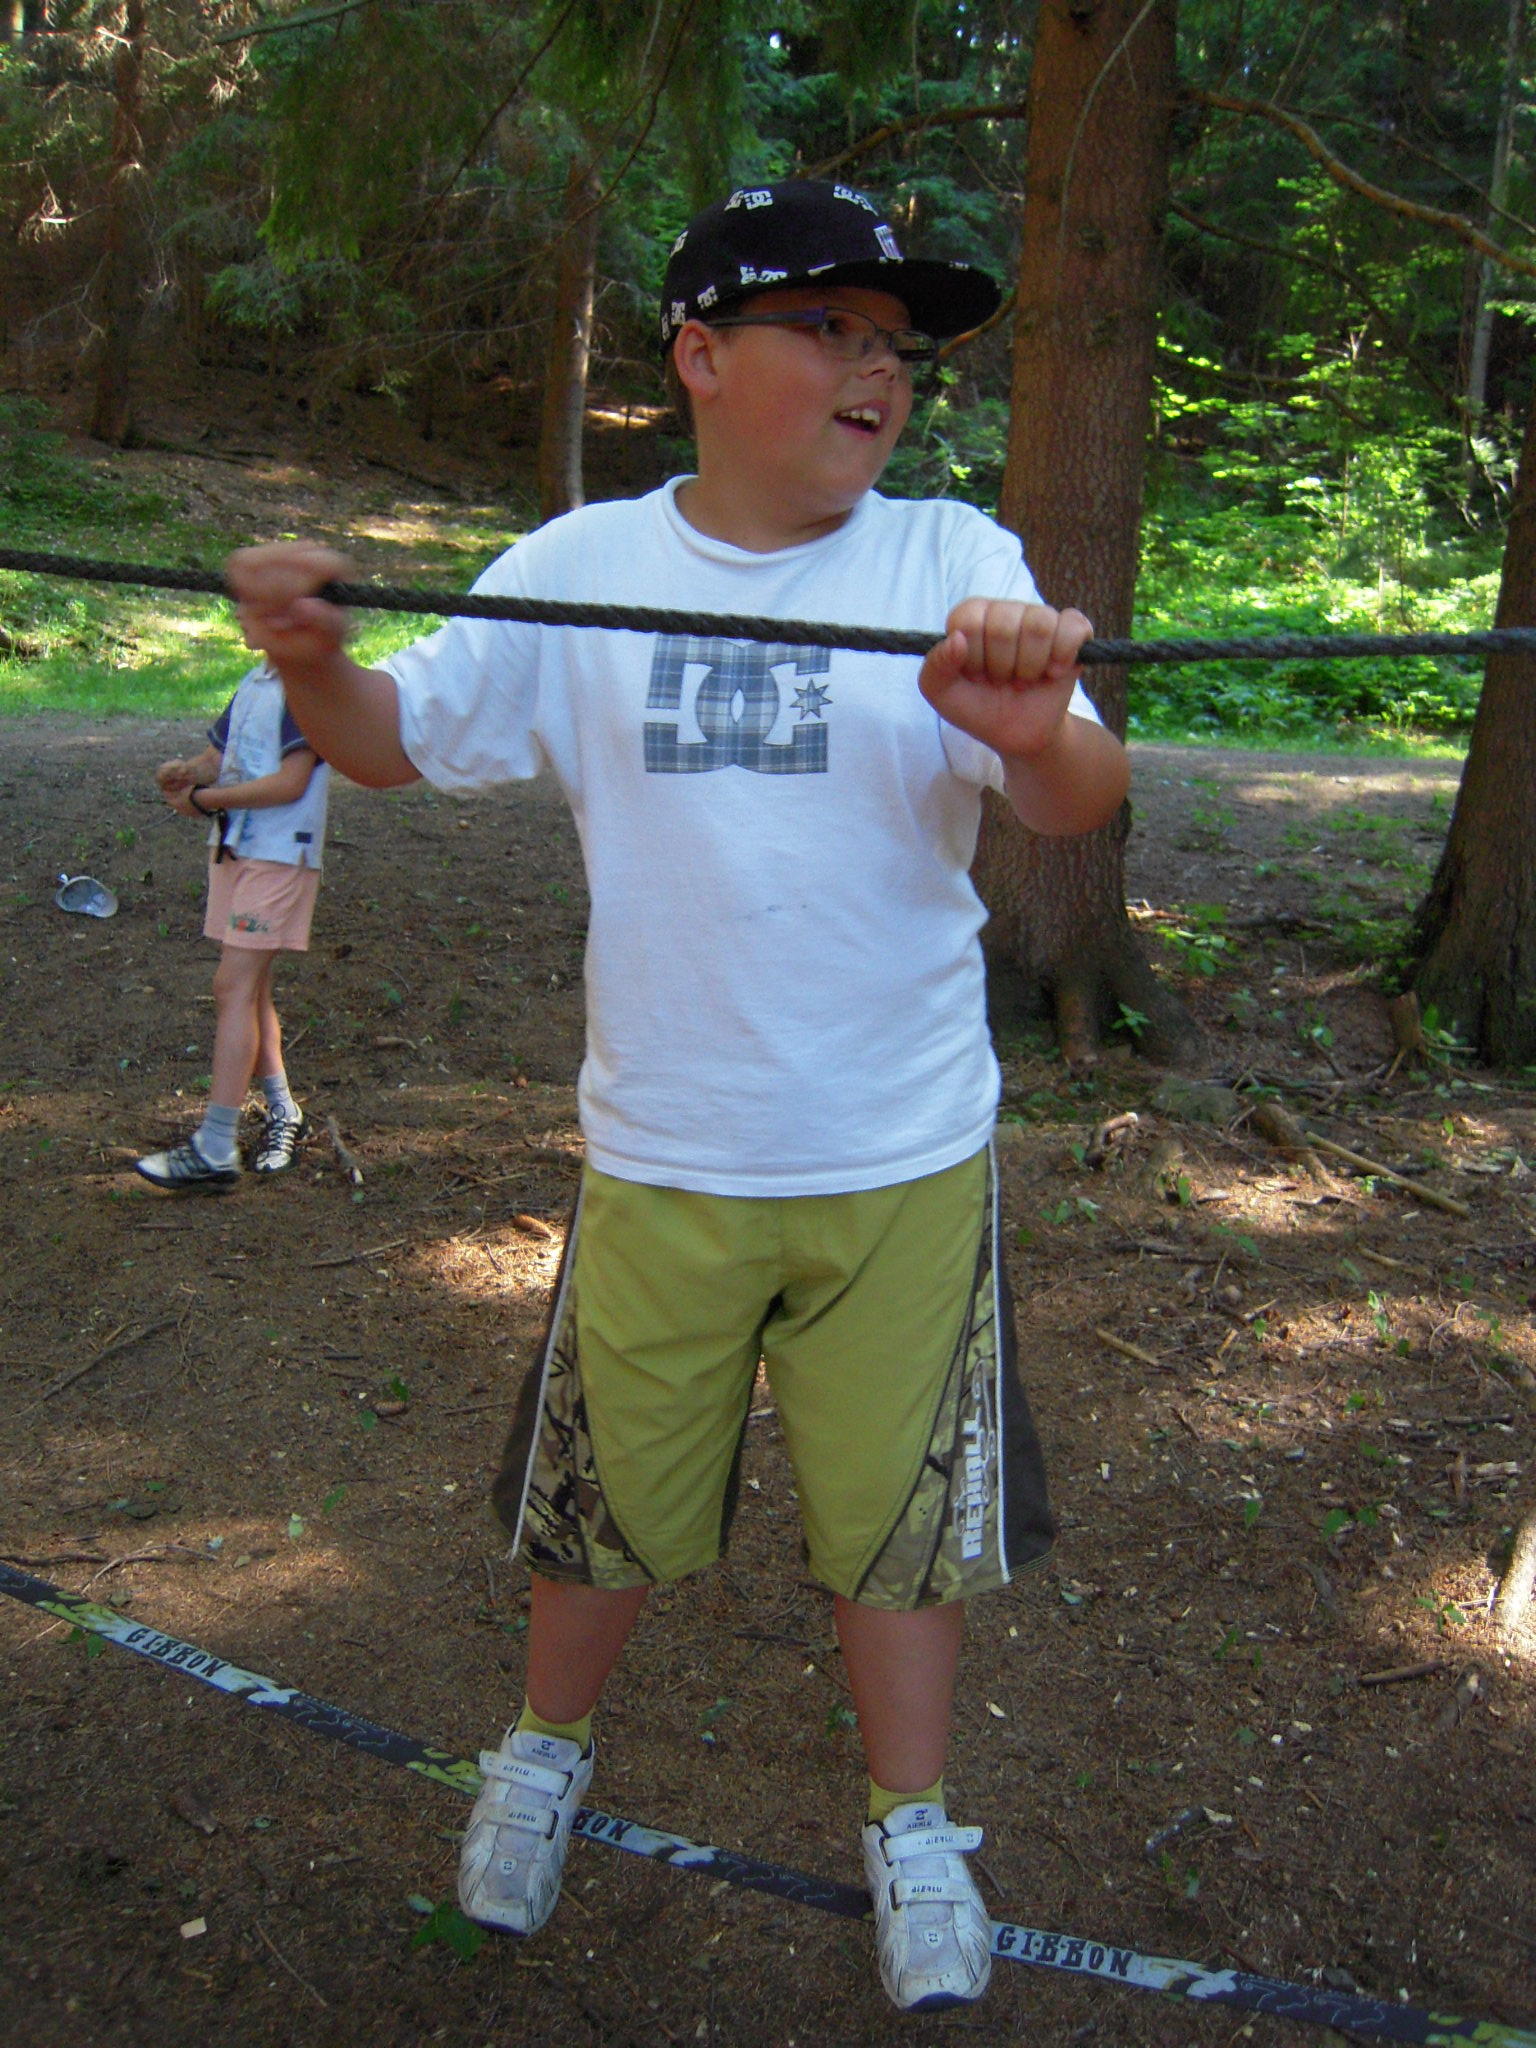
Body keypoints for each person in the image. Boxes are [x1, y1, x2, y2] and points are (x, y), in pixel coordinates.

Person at [225, 179, 1131, 2014]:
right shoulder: (579, 565)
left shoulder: (946, 554)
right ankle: (542, 1754)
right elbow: (393, 741)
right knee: (603, 1503)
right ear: (703, 357)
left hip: (901, 1153)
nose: (879, 370)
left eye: (898, 345)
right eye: (831, 329)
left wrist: (1038, 727)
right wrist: (310, 656)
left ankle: (913, 1823)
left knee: (898, 1528)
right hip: (664, 1150)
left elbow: (1075, 797)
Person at [136, 661, 328, 1192]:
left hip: (280, 855)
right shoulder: (256, 679)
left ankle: (216, 1146)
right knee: (252, 991)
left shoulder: (307, 683)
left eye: (252, 613)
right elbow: (220, 759)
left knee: (233, 986)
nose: (241, 619)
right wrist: (187, 773)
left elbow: (292, 781)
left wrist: (206, 800)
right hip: (236, 847)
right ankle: (284, 1111)